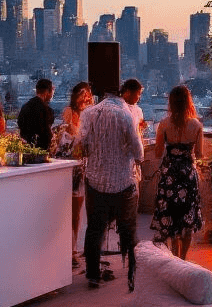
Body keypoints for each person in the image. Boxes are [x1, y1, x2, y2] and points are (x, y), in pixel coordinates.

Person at [78, 89, 144, 290]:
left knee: (95, 229)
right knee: (129, 230)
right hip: (122, 182)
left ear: (104, 97)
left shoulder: (88, 113)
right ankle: (132, 275)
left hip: (95, 181)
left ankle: (92, 275)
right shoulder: (126, 114)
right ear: (121, 97)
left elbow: (81, 144)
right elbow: (138, 150)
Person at [151, 85, 204, 260]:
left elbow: (158, 152)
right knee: (187, 217)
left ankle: (174, 257)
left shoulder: (164, 124)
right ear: (188, 102)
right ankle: (184, 258)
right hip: (188, 174)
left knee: (172, 216)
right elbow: (200, 154)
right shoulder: (196, 125)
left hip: (170, 176)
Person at [50, 81, 94, 266]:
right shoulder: (71, 113)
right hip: (71, 165)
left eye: (87, 95)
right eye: (82, 95)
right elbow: (70, 136)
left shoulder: (90, 114)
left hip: (81, 165)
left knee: (76, 211)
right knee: (66, 211)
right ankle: (68, 250)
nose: (85, 98)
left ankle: (73, 249)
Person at [17, 79, 55, 151]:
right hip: (42, 149)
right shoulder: (47, 110)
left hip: (26, 148)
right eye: (52, 91)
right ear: (47, 91)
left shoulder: (25, 107)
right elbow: (46, 133)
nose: (52, 94)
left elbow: (20, 124)